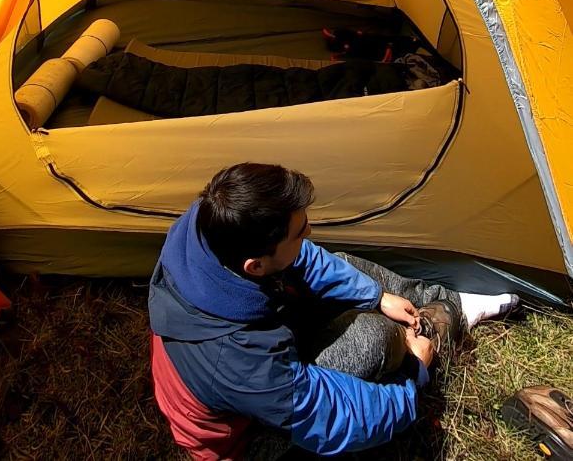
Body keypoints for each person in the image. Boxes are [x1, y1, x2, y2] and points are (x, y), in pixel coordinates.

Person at [148, 163, 519, 459]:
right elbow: (332, 417)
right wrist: (414, 373)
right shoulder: (240, 361)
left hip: (254, 354)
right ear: (255, 266)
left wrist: (376, 296)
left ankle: (446, 303)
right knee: (376, 338)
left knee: (342, 269)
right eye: (299, 230)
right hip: (249, 437)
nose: (309, 231)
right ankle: (433, 331)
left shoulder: (211, 219)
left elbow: (305, 259)